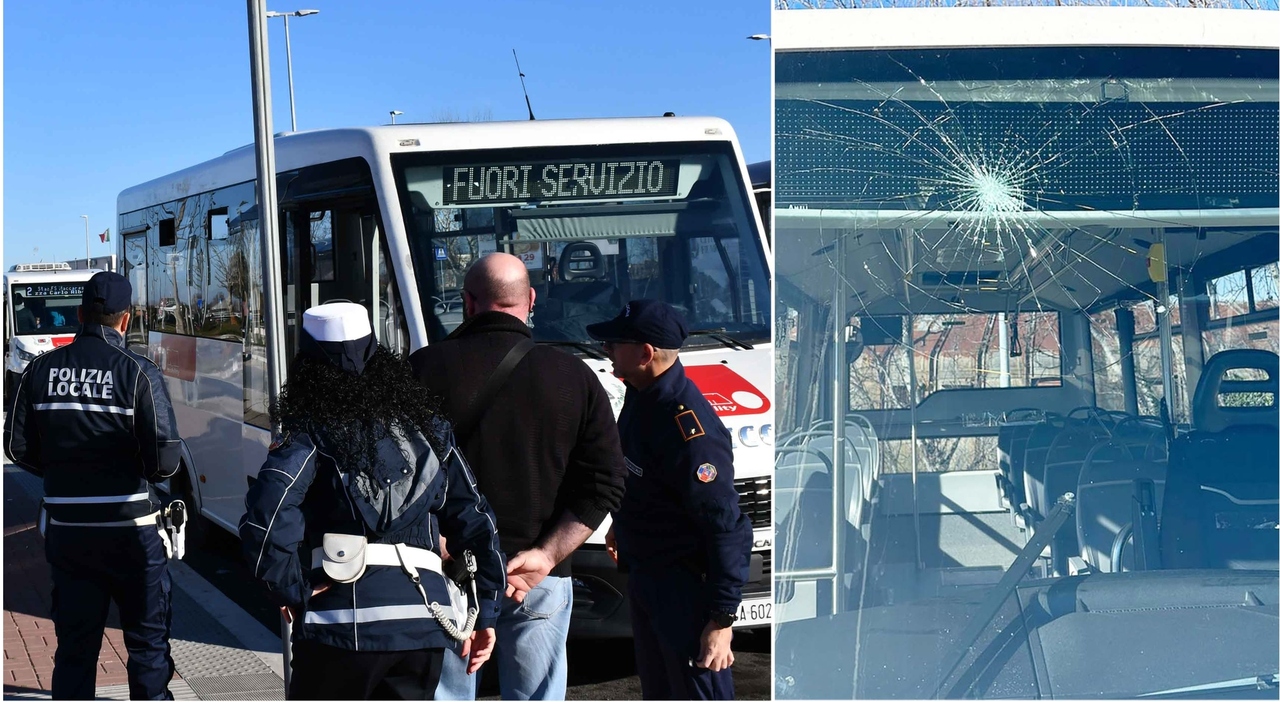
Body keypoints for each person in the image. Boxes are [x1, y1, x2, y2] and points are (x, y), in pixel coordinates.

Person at [238, 302, 506, 700]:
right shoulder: (429, 429)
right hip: (424, 624)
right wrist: (486, 610)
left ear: (307, 366)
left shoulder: (309, 432)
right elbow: (476, 519)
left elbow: (265, 520)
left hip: (338, 627)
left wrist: (292, 591)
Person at [409, 252, 627, 700]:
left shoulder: (420, 370)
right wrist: (547, 555)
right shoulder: (575, 377)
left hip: (448, 571)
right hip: (538, 576)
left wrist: (435, 541)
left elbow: (394, 475)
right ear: (530, 300)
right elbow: (605, 481)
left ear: (468, 303)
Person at [4, 271, 184, 701]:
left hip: (68, 533)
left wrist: (64, 476)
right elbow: (166, 461)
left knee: (75, 651)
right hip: (133, 533)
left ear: (80, 313)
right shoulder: (139, 373)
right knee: (147, 648)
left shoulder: (39, 370)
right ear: (126, 320)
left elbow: (17, 447)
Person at [586, 299, 752, 701]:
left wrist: (721, 619)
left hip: (685, 591)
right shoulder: (643, 397)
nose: (606, 350)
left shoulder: (687, 428)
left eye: (614, 342)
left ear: (645, 353)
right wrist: (621, 526)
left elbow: (724, 525)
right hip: (650, 579)